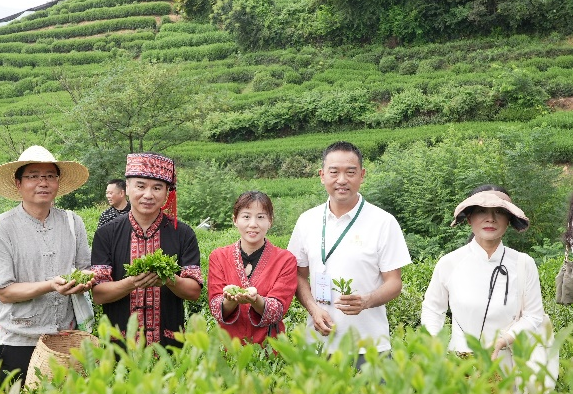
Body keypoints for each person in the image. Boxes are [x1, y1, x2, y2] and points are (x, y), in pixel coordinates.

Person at [287, 141, 411, 366]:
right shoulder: (307, 221)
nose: (342, 180)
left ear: (362, 175)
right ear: (322, 175)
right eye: (334, 172)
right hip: (317, 345)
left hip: (370, 347)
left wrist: (366, 300)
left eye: (350, 172)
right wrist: (314, 309)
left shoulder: (383, 222)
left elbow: (394, 283)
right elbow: (297, 275)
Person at [0, 145, 93, 387]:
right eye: (33, 176)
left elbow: (85, 268)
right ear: (18, 183)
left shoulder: (73, 222)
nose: (43, 183)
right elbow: (4, 292)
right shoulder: (0, 228)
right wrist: (51, 285)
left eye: (49, 176)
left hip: (66, 339)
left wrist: (83, 281)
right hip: (20, 341)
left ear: (57, 182)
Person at [421, 185, 544, 364]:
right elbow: (432, 310)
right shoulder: (449, 263)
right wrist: (434, 347)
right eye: (481, 211)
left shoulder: (523, 263)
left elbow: (533, 316)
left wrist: (504, 340)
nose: (490, 219)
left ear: (509, 219)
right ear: (469, 218)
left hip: (510, 363)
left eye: (499, 212)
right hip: (460, 364)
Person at [91, 152, 202, 349]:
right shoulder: (106, 234)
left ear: (167, 192)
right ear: (127, 188)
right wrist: (131, 283)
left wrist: (169, 279)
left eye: (157, 188)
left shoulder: (183, 233)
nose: (148, 195)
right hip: (119, 348)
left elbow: (194, 291)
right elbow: (99, 294)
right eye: (140, 186)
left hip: (169, 347)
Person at [208, 191, 297, 345]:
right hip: (229, 348)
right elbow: (216, 308)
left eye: (261, 217)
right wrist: (231, 301)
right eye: (246, 217)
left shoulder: (285, 260)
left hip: (269, 349)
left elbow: (278, 311)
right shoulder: (218, 257)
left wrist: (256, 300)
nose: (253, 224)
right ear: (235, 220)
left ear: (270, 221)